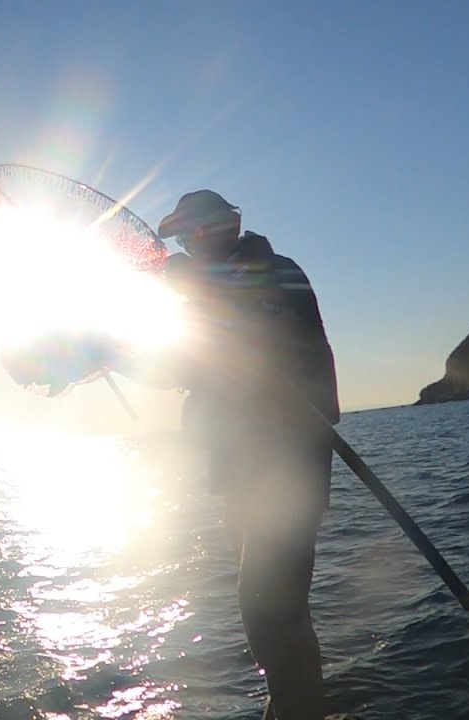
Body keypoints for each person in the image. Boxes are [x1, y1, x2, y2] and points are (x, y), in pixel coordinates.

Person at [156, 190, 340, 720]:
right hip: (240, 470)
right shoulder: (209, 290)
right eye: (186, 236)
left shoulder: (276, 275)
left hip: (287, 468)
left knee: (266, 609)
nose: (193, 243)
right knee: (279, 609)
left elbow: (232, 348)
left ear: (229, 226)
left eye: (203, 230)